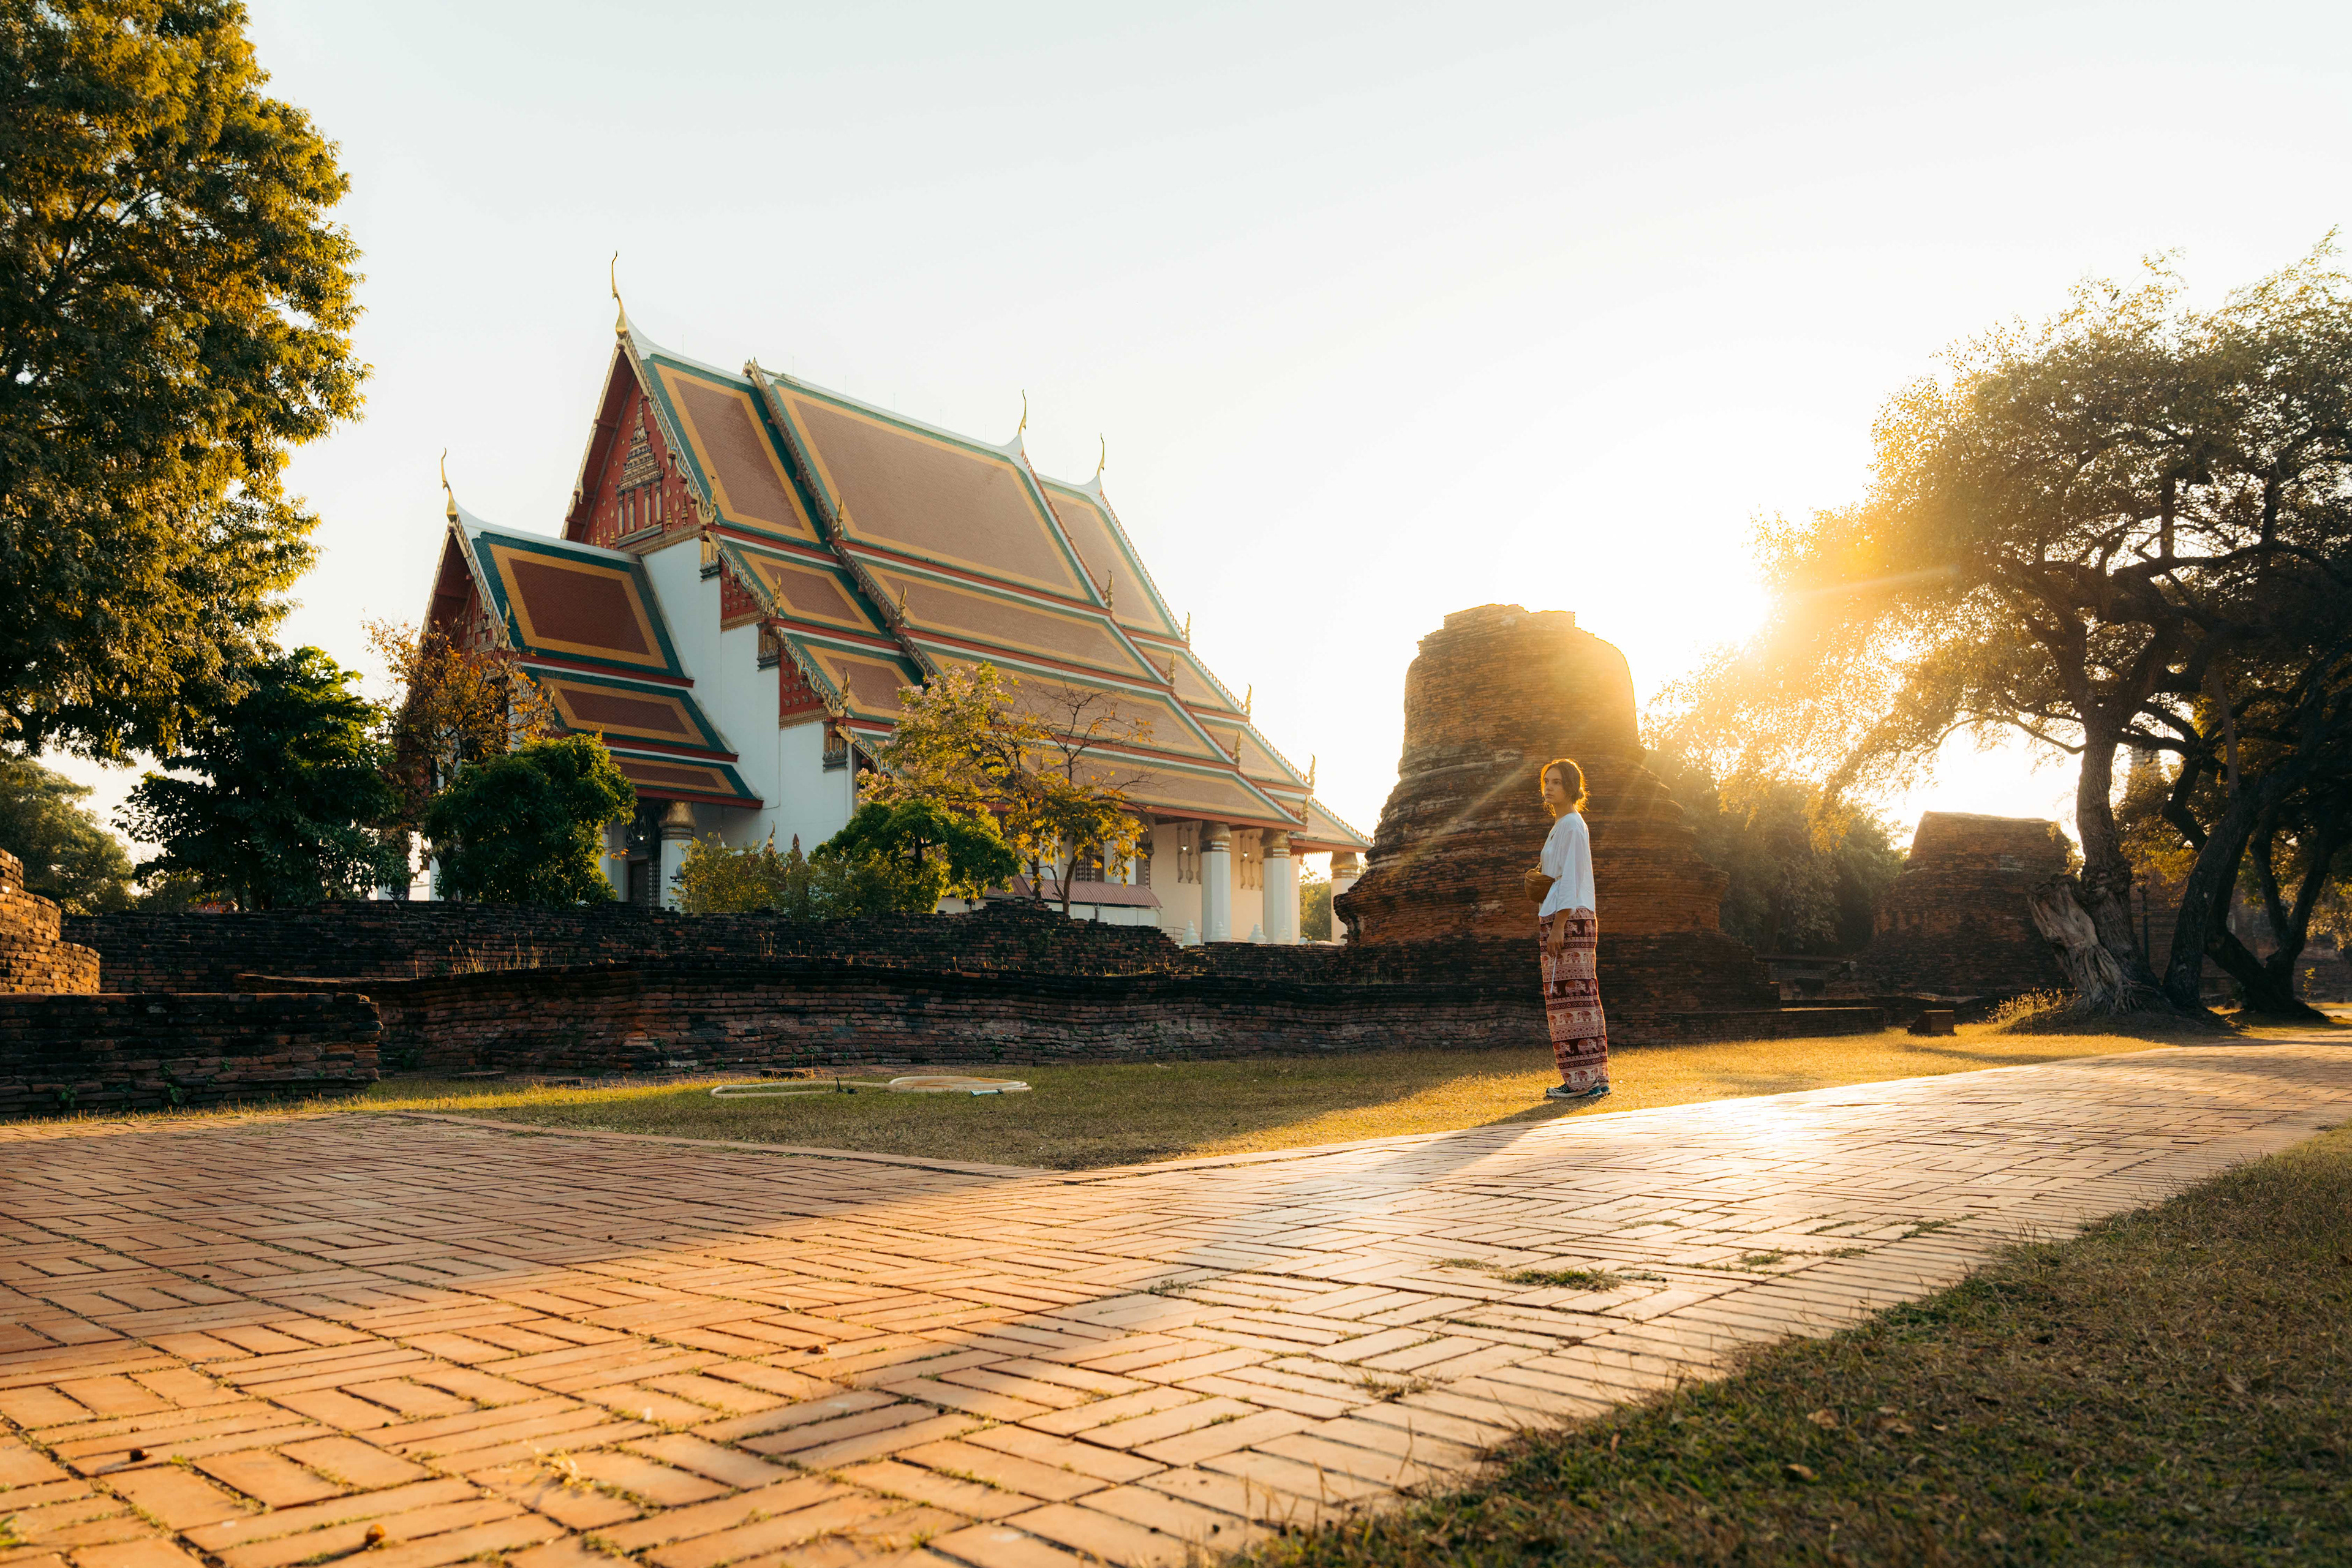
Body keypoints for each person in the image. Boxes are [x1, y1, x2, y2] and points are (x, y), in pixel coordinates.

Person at [1523, 758, 1609, 1102]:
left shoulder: (1572, 824)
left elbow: (1570, 879)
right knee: (1582, 996)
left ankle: (1580, 1082)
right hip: (1565, 915)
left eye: (1557, 782)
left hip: (1568, 919)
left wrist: (1559, 926)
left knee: (1569, 1000)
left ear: (1571, 787)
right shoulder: (1563, 825)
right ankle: (1594, 1078)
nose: (1549, 787)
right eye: (1547, 781)